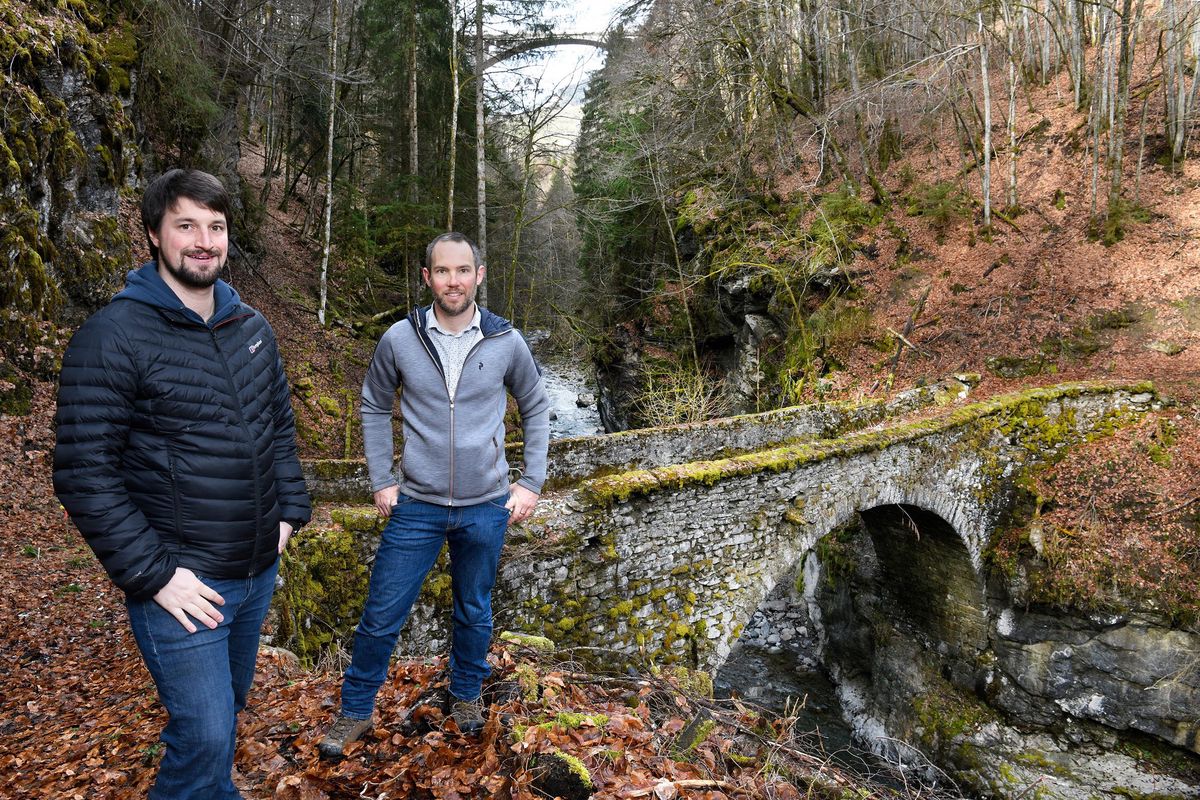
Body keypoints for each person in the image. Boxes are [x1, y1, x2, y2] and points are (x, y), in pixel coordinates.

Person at [53, 168, 311, 799]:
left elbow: (277, 425)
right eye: (186, 225)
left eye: (216, 227)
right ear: (153, 235)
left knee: (227, 715)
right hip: (183, 581)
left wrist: (287, 514)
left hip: (255, 572)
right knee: (204, 734)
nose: (204, 240)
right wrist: (156, 575)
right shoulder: (113, 336)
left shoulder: (251, 327)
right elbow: (83, 473)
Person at [318, 231, 550, 757]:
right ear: (427, 278)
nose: (453, 280)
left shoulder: (506, 342)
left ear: (478, 276)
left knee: (473, 608)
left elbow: (536, 407)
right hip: (416, 505)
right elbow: (374, 406)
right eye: (442, 271)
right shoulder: (400, 338)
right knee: (381, 613)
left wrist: (531, 482)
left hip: (487, 505)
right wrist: (381, 478)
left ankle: (466, 695)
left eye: (463, 270)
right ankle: (354, 712)